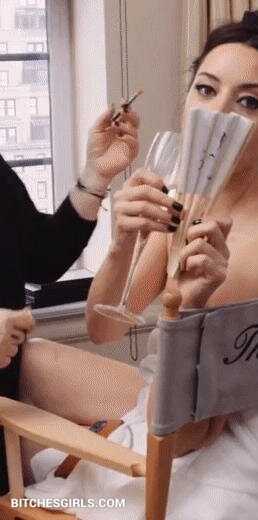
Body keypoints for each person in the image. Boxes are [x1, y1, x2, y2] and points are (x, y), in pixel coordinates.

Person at [22, 8, 258, 519]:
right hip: (181, 399)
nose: (216, 114)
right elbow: (105, 327)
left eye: (249, 102)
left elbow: (187, 437)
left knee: (30, 457)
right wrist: (123, 240)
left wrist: (189, 307)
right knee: (29, 360)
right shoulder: (190, 195)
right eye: (207, 90)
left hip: (217, 446)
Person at [0, 104, 139, 493]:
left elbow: (40, 258)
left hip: (13, 377)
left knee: (167, 422)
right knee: (117, 494)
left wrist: (96, 176)